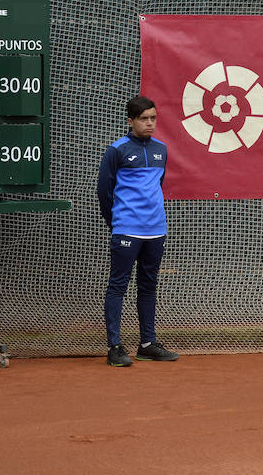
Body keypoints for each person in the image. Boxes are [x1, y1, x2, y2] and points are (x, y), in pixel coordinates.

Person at [97, 95, 178, 367]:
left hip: (156, 231)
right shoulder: (116, 150)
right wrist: (117, 222)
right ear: (130, 121)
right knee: (118, 286)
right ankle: (115, 347)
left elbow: (159, 184)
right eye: (144, 119)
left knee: (148, 286)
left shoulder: (161, 150)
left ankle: (147, 344)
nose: (150, 123)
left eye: (153, 118)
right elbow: (104, 192)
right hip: (126, 230)